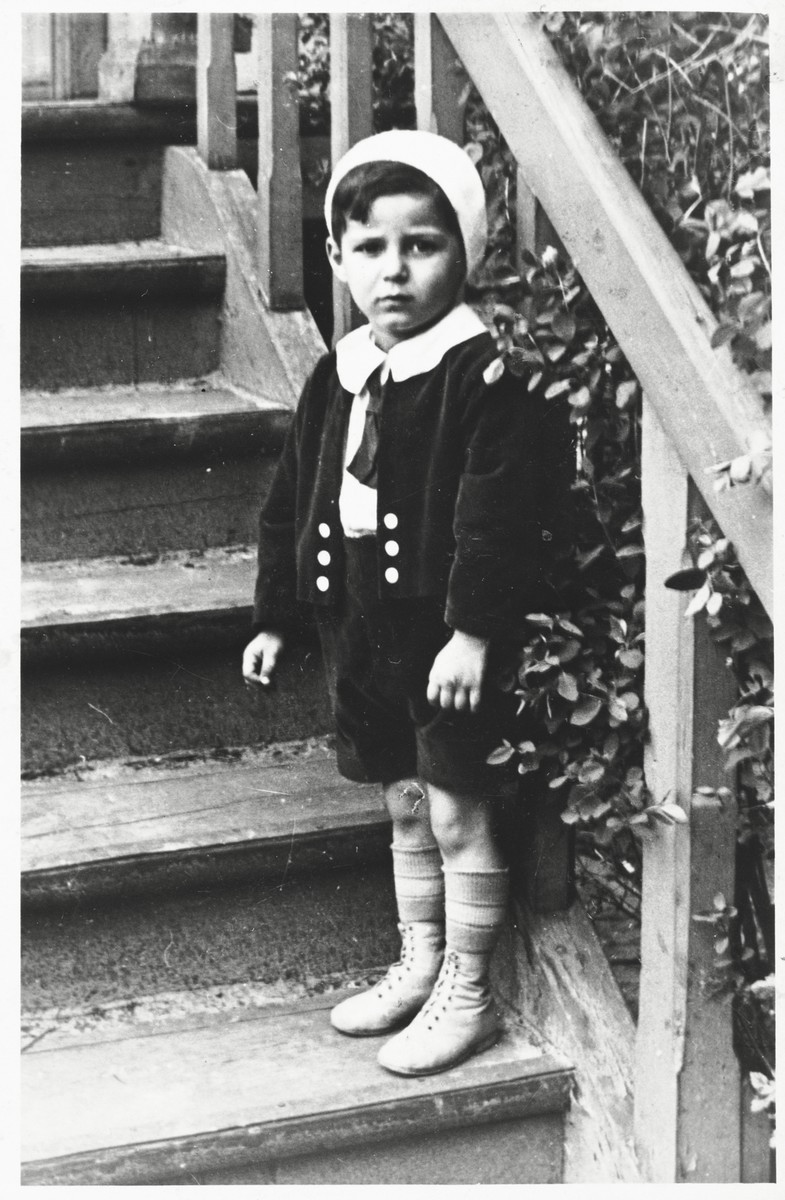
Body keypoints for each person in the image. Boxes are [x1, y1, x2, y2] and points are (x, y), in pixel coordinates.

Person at [242, 130, 551, 1077]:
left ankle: (469, 989)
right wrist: (277, 615)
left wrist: (472, 630)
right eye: (370, 248)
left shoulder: (483, 373)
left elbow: (497, 510)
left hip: (439, 634)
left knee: (458, 809)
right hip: (357, 624)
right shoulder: (336, 371)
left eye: (422, 246)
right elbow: (295, 496)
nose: (394, 271)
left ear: (464, 252)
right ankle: (418, 962)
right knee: (405, 802)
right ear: (335, 256)